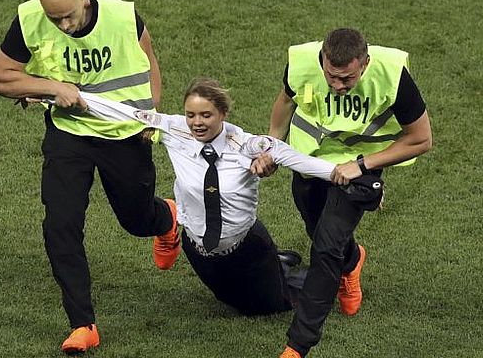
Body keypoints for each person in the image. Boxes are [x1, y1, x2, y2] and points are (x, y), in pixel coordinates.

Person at [0, 0, 180, 353]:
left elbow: (149, 64)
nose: (63, 26)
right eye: (55, 18)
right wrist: (50, 87)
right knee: (60, 225)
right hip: (69, 132)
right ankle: (82, 324)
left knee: (135, 219)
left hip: (123, 134)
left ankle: (166, 219)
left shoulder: (123, 17)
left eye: (68, 17)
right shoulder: (29, 19)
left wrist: (151, 115)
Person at [80, 77, 343, 316]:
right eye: (191, 115)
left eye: (206, 115)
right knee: (234, 303)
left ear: (223, 114)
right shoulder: (175, 130)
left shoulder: (248, 145)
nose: (197, 123)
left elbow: (296, 159)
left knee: (272, 306)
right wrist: (67, 94)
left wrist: (349, 173)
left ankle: (322, 270)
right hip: (199, 251)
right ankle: (279, 263)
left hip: (246, 248)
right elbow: (122, 112)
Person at [258, 28, 433, 357]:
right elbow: (285, 100)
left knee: (325, 248)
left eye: (347, 79)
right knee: (318, 230)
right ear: (323, 59)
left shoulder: (393, 76)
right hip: (310, 164)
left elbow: (422, 139)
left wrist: (362, 164)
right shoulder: (301, 62)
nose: (338, 86)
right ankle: (352, 261)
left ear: (365, 64)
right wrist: (272, 145)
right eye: (331, 76)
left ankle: (297, 346)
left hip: (359, 170)